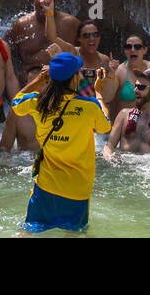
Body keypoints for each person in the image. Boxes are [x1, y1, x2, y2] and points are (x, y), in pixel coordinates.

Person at [11, 52, 111, 231]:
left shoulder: (38, 103)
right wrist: (99, 93)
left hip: (46, 186)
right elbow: (105, 126)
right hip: (77, 190)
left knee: (28, 230)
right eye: (78, 72)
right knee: (73, 233)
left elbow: (16, 101)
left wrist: (39, 80)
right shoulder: (89, 106)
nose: (81, 75)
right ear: (73, 77)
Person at [104, 68, 150, 157]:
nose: (135, 90)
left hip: (149, 168)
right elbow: (109, 145)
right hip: (122, 165)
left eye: (141, 87)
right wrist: (108, 156)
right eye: (135, 86)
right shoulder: (123, 115)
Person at [44, 16, 117, 104]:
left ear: (99, 37)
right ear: (79, 39)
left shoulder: (104, 60)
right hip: (72, 109)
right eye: (86, 35)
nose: (92, 38)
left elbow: (108, 97)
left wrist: (112, 72)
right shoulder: (72, 52)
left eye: (95, 35)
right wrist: (49, 12)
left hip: (96, 111)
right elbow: (52, 38)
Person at [9, 0, 80, 76]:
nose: (44, 1)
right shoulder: (20, 25)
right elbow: (10, 56)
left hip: (64, 80)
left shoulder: (71, 24)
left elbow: (83, 52)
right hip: (30, 82)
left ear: (56, 2)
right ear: (34, 1)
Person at [106, 33, 150, 117]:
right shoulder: (119, 71)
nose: (132, 50)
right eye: (128, 47)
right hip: (125, 126)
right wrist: (111, 73)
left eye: (137, 47)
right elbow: (107, 98)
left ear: (144, 50)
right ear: (125, 51)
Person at [2, 63, 44, 152]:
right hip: (26, 164)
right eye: (34, 84)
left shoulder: (60, 108)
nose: (39, 89)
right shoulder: (16, 113)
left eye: (43, 84)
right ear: (27, 86)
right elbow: (5, 147)